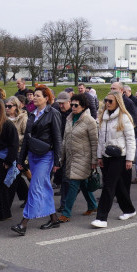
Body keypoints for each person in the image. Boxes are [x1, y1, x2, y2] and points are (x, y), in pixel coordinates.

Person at [12, 85, 63, 235]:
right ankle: (54, 219)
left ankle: (23, 223)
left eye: (38, 96)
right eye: (34, 95)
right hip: (33, 156)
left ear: (46, 98)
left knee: (35, 187)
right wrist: (21, 160)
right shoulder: (32, 114)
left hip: (46, 156)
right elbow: (27, 139)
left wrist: (57, 160)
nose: (34, 97)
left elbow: (57, 138)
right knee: (44, 187)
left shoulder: (53, 113)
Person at [92, 92, 137, 228]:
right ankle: (129, 209)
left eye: (110, 101)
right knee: (118, 185)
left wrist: (129, 159)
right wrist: (99, 156)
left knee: (108, 186)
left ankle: (101, 218)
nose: (107, 103)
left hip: (119, 156)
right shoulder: (103, 117)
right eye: (106, 100)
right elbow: (100, 139)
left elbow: (130, 140)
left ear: (118, 102)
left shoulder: (124, 117)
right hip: (106, 155)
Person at [58, 93, 98, 221]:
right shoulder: (69, 118)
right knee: (83, 183)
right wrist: (62, 157)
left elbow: (94, 142)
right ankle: (93, 205)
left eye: (76, 105)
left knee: (73, 183)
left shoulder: (89, 121)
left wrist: (94, 160)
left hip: (83, 158)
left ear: (83, 106)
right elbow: (65, 139)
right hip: (71, 157)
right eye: (72, 104)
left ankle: (66, 213)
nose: (73, 107)